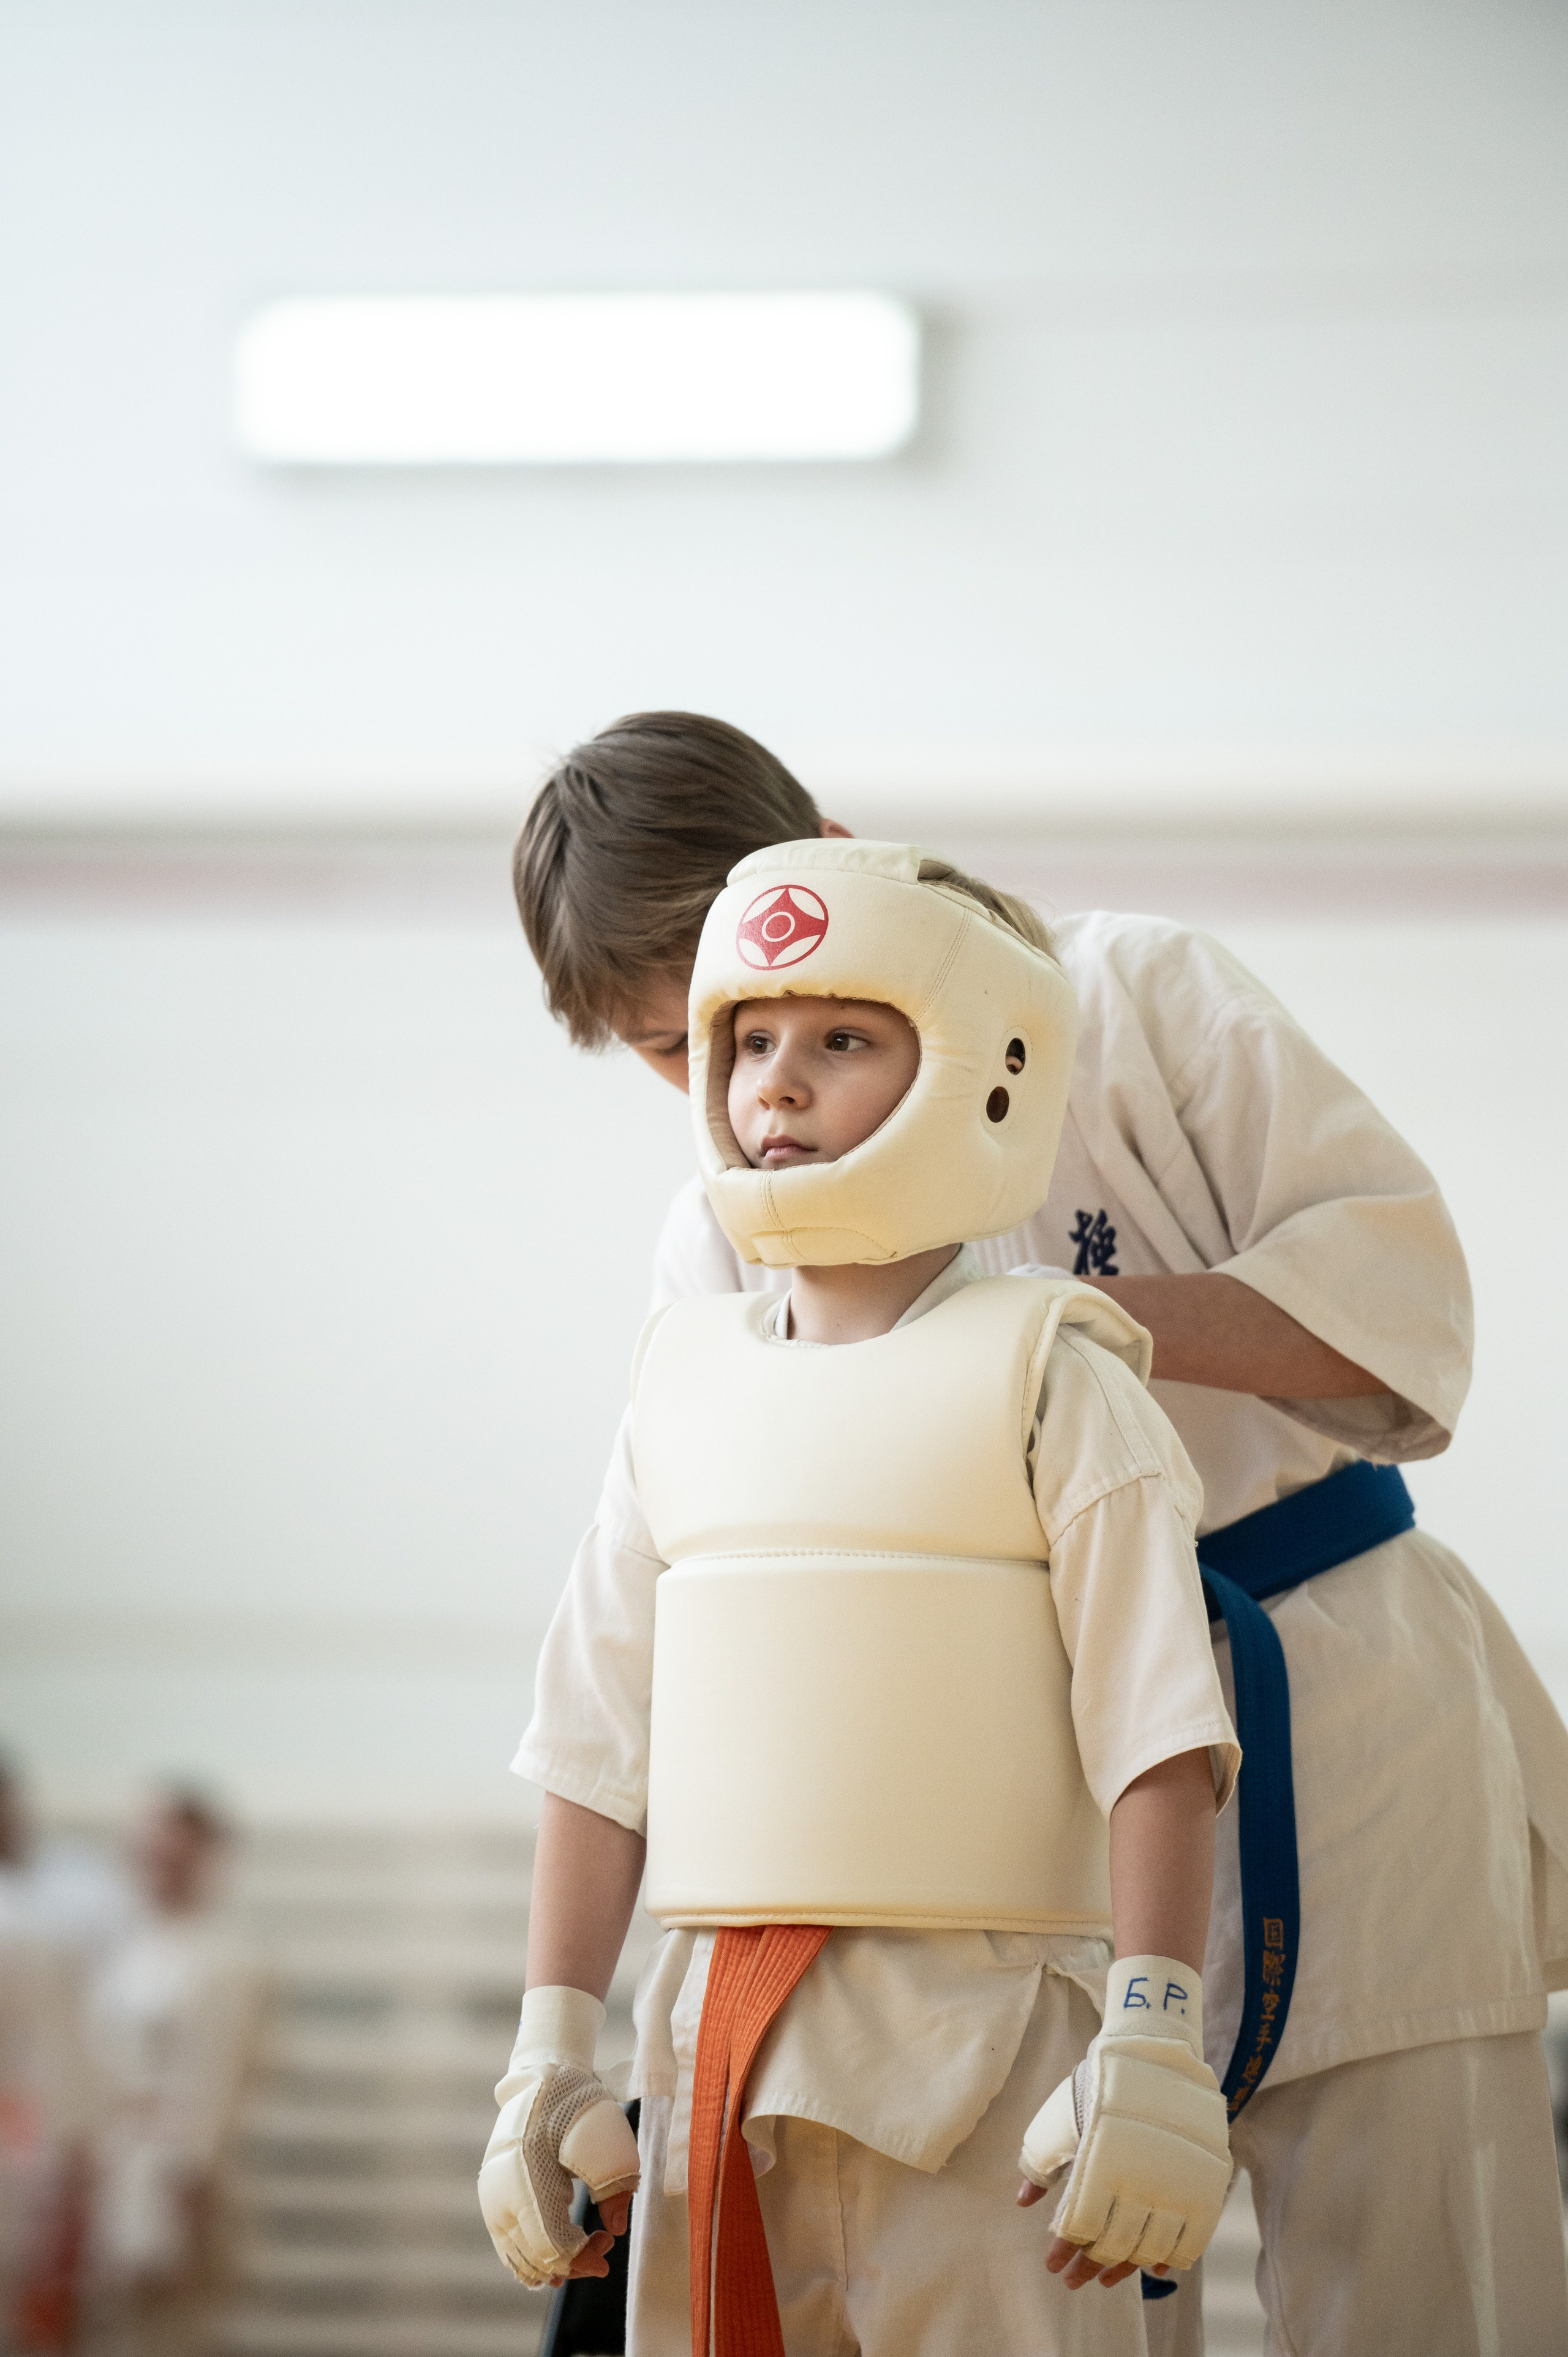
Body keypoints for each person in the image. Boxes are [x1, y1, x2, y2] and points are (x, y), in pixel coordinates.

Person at [509, 712, 1568, 2357]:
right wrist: (568, 2030)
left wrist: (1046, 1331)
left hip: (1336, 1714)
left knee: (1422, 2289)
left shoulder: (1132, 996)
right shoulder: (716, 1243)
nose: (758, 1077)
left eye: (817, 1012)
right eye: (684, 1045)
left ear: (838, 849)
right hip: (1006, 1823)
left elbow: (1405, 1313)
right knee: (1073, 2287)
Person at [483, 837, 1245, 2356]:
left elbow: (1157, 1729)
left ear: (979, 1070)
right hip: (716, 2052)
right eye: (748, 1040)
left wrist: (1155, 2032)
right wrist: (546, 2044)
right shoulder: (675, 1385)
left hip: (996, 2057)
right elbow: (594, 1748)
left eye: (841, 1038)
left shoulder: (1059, 1375)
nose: (775, 1082)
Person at [85, 1787, 266, 2356]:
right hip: (114, 2168)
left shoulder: (228, 1960)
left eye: (174, 1855)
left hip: (174, 2184)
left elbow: (215, 2094)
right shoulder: (127, 1946)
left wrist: (187, 2205)